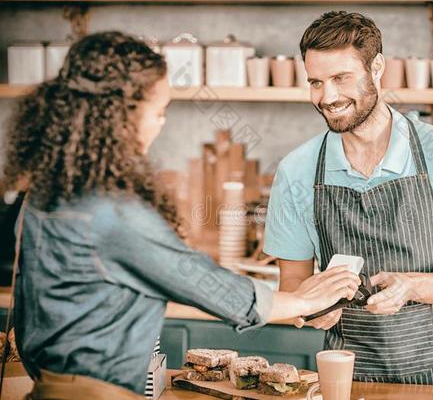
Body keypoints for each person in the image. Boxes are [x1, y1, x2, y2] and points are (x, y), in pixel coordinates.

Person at [2, 31, 360, 399]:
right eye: (158, 112)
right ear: (119, 116)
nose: (160, 124)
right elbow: (202, 282)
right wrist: (303, 301)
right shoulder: (112, 214)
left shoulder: (47, 193)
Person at [264, 11, 433, 387]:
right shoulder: (296, 170)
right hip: (347, 373)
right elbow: (292, 285)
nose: (327, 97)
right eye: (315, 82)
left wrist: (411, 286)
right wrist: (311, 309)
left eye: (341, 78)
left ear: (377, 68)